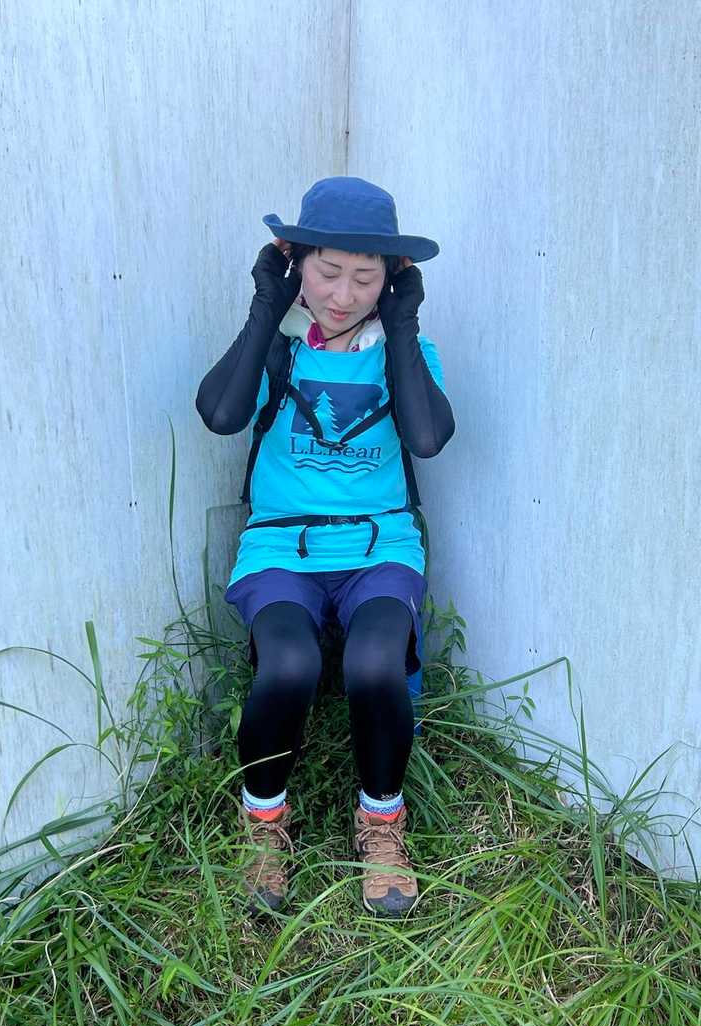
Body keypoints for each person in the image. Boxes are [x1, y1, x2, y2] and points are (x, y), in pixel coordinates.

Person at [196, 176, 454, 916]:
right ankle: (264, 820)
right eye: (328, 271)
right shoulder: (277, 350)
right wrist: (264, 309)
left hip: (380, 545)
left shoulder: (406, 350)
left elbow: (427, 437)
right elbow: (221, 413)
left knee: (374, 664)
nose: (343, 295)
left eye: (365, 278)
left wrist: (401, 327)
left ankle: (382, 823)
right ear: (297, 264)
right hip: (282, 548)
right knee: (289, 664)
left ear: (392, 279)